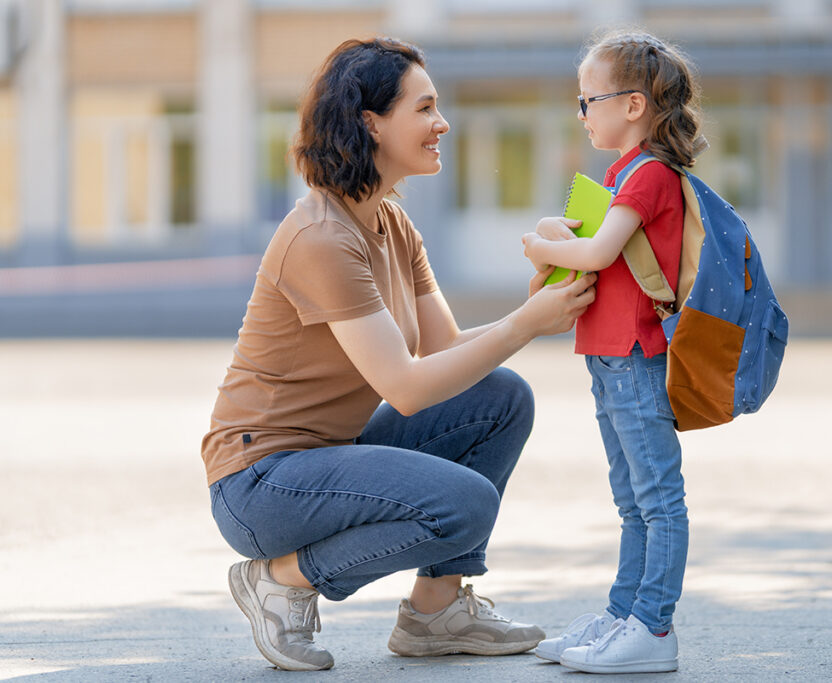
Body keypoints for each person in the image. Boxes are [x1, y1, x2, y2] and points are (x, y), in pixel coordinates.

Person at [201, 36, 596, 672]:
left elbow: (444, 353)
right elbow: (408, 388)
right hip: (262, 486)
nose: (442, 124)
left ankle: (435, 612)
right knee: (466, 505)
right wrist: (524, 325)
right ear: (370, 123)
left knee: (500, 396)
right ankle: (281, 579)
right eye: (425, 108)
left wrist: (533, 313)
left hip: (330, 459)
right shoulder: (321, 237)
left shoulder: (390, 222)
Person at [520, 29, 704, 674]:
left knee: (657, 499)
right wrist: (554, 236)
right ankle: (625, 614)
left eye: (588, 100)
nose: (583, 112)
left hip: (634, 355)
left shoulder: (649, 173)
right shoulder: (622, 172)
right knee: (632, 500)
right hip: (608, 354)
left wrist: (541, 248)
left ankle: (653, 629)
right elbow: (601, 253)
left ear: (632, 105)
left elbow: (597, 254)